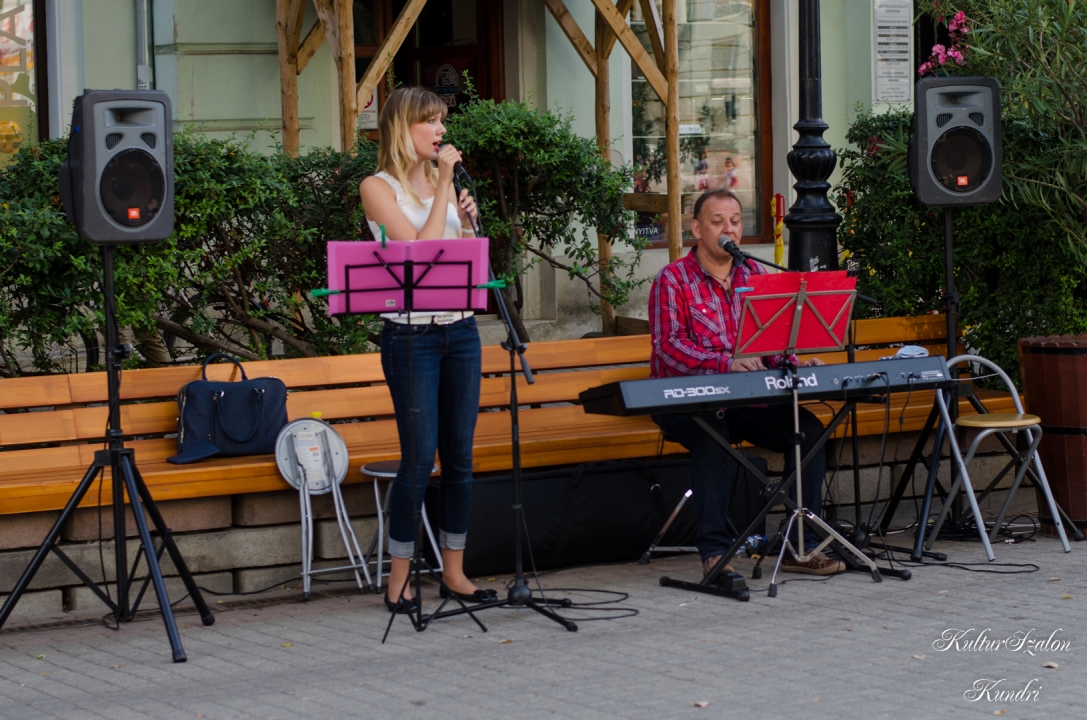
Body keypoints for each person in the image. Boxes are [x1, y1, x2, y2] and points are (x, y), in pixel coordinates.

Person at [648, 189, 844, 578]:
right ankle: (715, 554)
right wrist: (726, 363)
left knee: (808, 431)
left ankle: (800, 546)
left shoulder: (754, 274)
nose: (729, 229)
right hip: (687, 401)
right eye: (718, 221)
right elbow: (668, 347)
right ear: (697, 229)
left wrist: (794, 363)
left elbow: (769, 343)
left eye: (735, 221)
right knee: (712, 437)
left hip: (746, 398)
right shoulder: (673, 279)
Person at [359, 87, 496, 613]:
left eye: (442, 120)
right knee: (418, 460)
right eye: (430, 122)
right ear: (403, 127)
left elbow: (466, 263)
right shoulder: (378, 187)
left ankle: (454, 572)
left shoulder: (446, 185)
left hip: (460, 330)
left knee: (459, 457)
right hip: (411, 335)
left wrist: (472, 221)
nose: (440, 131)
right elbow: (419, 253)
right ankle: (398, 579)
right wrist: (443, 189)